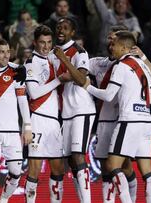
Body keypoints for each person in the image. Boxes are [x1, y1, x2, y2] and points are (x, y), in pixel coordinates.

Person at [80, 31, 151, 203]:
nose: (111, 47)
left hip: (129, 120)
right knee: (147, 170)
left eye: (114, 44)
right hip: (146, 121)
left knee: (111, 165)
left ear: (124, 47)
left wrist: (88, 87)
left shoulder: (121, 66)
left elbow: (108, 96)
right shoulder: (143, 65)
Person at [0, 39, 32, 203]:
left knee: (16, 172)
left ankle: (3, 199)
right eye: (2, 52)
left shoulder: (16, 71)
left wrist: (27, 126)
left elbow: (23, 101)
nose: (6, 55)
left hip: (11, 131)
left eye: (8, 52)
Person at [50, 17, 96, 203]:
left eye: (65, 28)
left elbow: (81, 78)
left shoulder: (79, 51)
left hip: (81, 109)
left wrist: (65, 60)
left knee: (78, 156)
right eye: (58, 27)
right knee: (69, 161)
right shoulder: (52, 52)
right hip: (65, 112)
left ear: (72, 32)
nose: (61, 30)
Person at [23, 25, 64, 203]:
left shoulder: (54, 59)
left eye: (49, 42)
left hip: (54, 122)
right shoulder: (31, 62)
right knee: (34, 169)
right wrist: (58, 80)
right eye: (42, 42)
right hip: (38, 118)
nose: (46, 47)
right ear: (34, 42)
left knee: (58, 169)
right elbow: (34, 93)